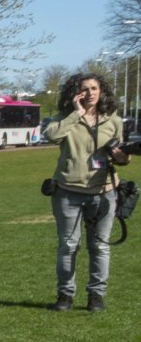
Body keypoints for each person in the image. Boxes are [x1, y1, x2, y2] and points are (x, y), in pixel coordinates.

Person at [43, 72, 125, 312]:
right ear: (75, 93)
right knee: (68, 246)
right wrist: (77, 113)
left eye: (94, 88)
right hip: (68, 191)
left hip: (103, 191)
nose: (90, 93)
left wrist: (122, 158)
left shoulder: (113, 120)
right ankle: (65, 295)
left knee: (99, 246)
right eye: (84, 89)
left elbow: (121, 155)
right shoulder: (65, 119)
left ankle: (96, 295)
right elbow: (52, 135)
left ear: (102, 91)